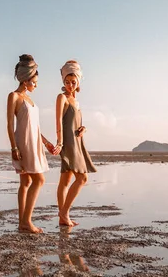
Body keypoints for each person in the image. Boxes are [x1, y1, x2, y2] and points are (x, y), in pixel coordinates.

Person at [7, 54, 57, 233]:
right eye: (34, 82)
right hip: (23, 143)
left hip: (34, 141)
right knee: (39, 179)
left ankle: (22, 223)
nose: (36, 85)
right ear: (26, 80)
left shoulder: (31, 100)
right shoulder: (14, 96)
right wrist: (14, 147)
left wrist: (46, 142)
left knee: (26, 181)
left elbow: (35, 127)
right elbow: (9, 124)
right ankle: (27, 221)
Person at [55, 60, 97, 227]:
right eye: (67, 82)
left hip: (78, 142)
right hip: (68, 143)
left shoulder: (76, 102)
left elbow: (76, 122)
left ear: (78, 82)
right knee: (82, 178)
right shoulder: (62, 97)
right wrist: (59, 142)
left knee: (66, 180)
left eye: (73, 82)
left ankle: (63, 217)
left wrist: (83, 129)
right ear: (63, 81)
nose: (70, 85)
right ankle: (64, 212)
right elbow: (58, 121)